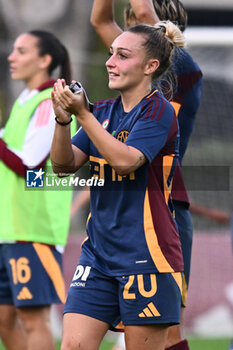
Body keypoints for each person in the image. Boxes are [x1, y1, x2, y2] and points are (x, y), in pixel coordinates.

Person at [51, 20, 186, 350]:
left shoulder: (159, 111)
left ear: (150, 66)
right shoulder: (103, 112)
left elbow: (126, 161)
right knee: (73, 346)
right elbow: (62, 165)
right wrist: (63, 120)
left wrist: (83, 116)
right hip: (97, 255)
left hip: (147, 257)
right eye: (111, 54)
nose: (111, 62)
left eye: (122, 55)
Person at [91, 1, 203, 350]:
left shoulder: (179, 67)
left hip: (161, 206)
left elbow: (140, 11)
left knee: (169, 330)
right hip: (122, 208)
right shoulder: (132, 64)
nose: (115, 59)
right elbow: (99, 19)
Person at [0, 30, 75, 350]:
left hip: (34, 229)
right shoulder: (26, 99)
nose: (11, 57)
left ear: (45, 60)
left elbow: (28, 165)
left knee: (33, 319)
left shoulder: (50, 102)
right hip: (10, 228)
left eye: (21, 51)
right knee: (4, 319)